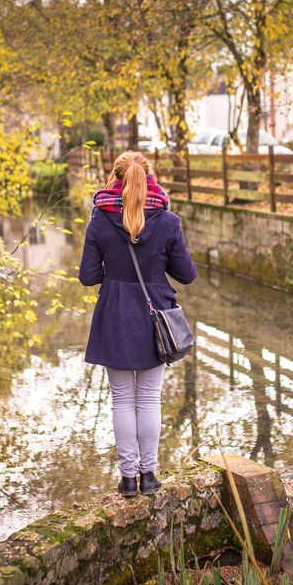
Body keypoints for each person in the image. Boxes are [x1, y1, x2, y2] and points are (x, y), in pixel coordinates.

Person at [78, 151, 196, 497]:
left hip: (113, 315)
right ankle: (149, 476)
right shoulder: (167, 221)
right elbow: (186, 275)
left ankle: (128, 480)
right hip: (154, 315)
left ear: (115, 179)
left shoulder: (99, 219)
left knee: (121, 401)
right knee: (148, 400)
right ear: (150, 179)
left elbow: (87, 276)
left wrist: (113, 275)